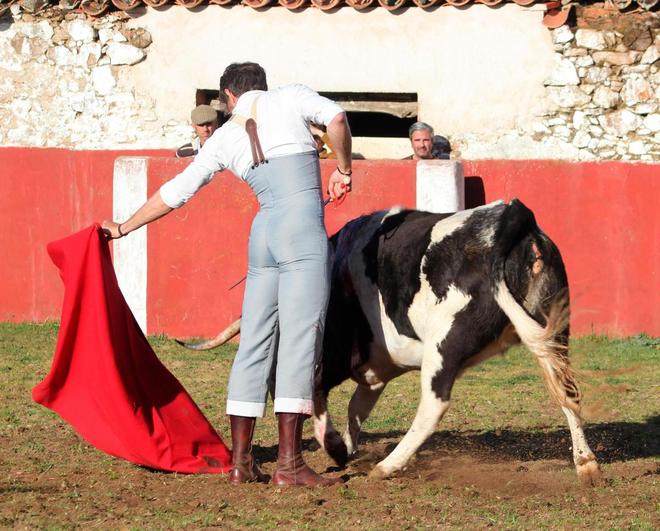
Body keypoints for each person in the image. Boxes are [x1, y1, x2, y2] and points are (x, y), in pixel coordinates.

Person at [102, 62, 352, 487]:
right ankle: (289, 465)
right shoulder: (289, 96)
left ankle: (241, 462)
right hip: (300, 231)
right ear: (260, 87)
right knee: (299, 337)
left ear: (230, 97)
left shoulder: (223, 138)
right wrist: (344, 168)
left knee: (253, 341)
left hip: (263, 235)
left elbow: (176, 192)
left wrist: (124, 227)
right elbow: (338, 119)